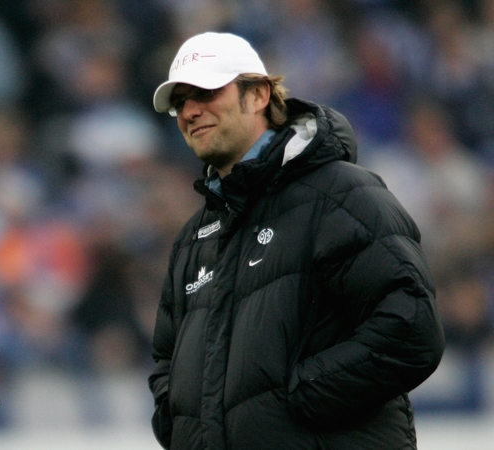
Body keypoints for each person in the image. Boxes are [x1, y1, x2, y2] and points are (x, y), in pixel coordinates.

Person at [147, 32, 445, 449]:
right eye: (180, 102)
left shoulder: (341, 195)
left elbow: (411, 330)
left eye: (206, 92)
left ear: (259, 95)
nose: (190, 111)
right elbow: (166, 363)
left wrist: (294, 401)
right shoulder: (195, 236)